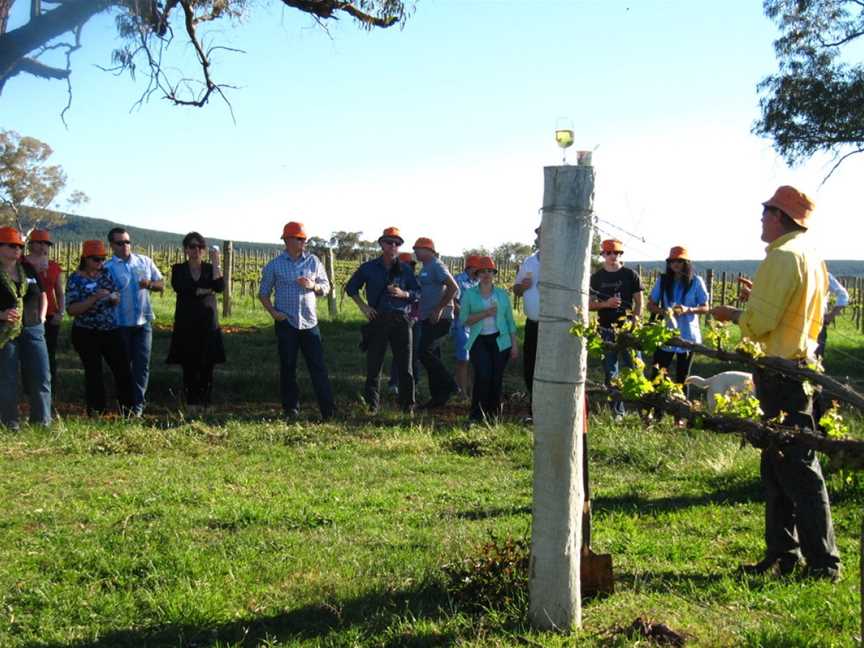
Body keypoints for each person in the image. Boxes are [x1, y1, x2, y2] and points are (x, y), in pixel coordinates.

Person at [712, 185, 840, 581]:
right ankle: (784, 552)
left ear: (780, 217)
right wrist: (756, 303)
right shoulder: (810, 256)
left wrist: (734, 313)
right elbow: (792, 312)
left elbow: (761, 323)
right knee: (777, 464)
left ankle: (823, 563)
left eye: (765, 210)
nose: (761, 217)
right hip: (799, 367)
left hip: (781, 372)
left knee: (798, 467)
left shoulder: (782, 257)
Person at [259, 222, 335, 420]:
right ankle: (291, 409)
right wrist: (274, 313)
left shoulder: (313, 262)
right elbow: (263, 293)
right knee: (288, 367)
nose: (304, 242)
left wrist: (314, 286)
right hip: (287, 324)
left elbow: (326, 287)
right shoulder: (274, 265)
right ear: (287, 240)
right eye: (299, 238)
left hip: (310, 323)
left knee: (318, 367)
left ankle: (328, 410)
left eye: (304, 239)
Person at [345, 226, 420, 414]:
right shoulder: (368, 268)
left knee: (406, 367)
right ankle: (372, 407)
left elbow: (418, 292)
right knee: (374, 365)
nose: (393, 246)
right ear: (381, 244)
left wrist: (404, 293)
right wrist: (364, 307)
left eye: (397, 243)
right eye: (389, 242)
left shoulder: (405, 269)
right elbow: (351, 288)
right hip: (378, 318)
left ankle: (407, 408)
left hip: (402, 320)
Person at [66, 240, 133, 416]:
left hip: (110, 330)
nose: (100, 263)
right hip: (86, 332)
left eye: (102, 259)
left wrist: (114, 298)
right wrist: (94, 298)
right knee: (94, 373)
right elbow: (72, 310)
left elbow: (115, 294)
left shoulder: (106, 274)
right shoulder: (75, 279)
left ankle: (129, 412)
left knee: (123, 369)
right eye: (96, 259)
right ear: (85, 258)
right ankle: (97, 413)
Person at [104, 227, 163, 416]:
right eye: (120, 243)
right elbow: (102, 294)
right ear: (112, 245)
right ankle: (124, 406)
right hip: (119, 324)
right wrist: (109, 298)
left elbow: (160, 283)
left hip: (143, 322)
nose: (125, 246)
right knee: (122, 367)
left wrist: (150, 285)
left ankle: (137, 407)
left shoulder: (144, 261)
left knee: (142, 365)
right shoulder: (106, 268)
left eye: (127, 242)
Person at [166, 232, 225, 410]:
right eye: (192, 246)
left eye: (200, 247)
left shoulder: (210, 268)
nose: (196, 250)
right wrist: (204, 290)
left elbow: (219, 287)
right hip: (187, 322)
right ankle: (192, 402)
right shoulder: (178, 269)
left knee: (208, 363)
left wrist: (216, 263)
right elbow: (180, 287)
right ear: (185, 249)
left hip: (208, 322)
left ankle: (206, 402)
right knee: (189, 363)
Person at [0, 227, 51, 429]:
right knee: (7, 377)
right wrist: (1, 315)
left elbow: (43, 294)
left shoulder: (27, 270)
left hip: (33, 328)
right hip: (5, 332)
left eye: (20, 246)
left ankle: (42, 422)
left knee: (41, 375)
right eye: (12, 246)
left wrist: (43, 316)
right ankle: (10, 423)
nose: (17, 250)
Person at [459, 256, 519, 423]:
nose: (486, 274)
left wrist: (514, 345)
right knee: (483, 375)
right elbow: (464, 319)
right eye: (482, 271)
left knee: (496, 377)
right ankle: (476, 415)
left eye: (489, 271)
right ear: (477, 274)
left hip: (501, 340)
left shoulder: (502, 294)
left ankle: (494, 417)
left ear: (494, 274)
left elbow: (510, 321)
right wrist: (485, 313)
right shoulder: (470, 294)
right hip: (479, 340)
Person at [589, 239, 643, 416]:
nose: (613, 256)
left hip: (628, 329)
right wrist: (606, 304)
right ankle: (617, 412)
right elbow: (588, 304)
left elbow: (639, 301)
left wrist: (635, 320)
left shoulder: (630, 275)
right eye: (610, 253)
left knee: (635, 368)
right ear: (603, 254)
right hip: (606, 329)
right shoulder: (596, 278)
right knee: (610, 370)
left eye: (617, 253)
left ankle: (640, 408)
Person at [646, 246, 709, 386]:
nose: (675, 263)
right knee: (658, 375)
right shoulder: (662, 281)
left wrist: (688, 310)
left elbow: (706, 308)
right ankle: (656, 406)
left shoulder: (696, 282)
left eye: (680, 261)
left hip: (688, 335)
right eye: (672, 260)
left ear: (687, 263)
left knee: (683, 377)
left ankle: (681, 406)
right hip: (665, 334)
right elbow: (650, 305)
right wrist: (665, 312)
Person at [413, 237, 460, 409]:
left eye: (417, 249)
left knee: (424, 352)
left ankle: (450, 384)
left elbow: (454, 287)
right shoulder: (426, 267)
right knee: (433, 355)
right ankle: (438, 397)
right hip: (427, 318)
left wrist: (439, 309)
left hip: (439, 318)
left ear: (428, 251)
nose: (415, 252)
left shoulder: (436, 265)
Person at [24, 229, 63, 390]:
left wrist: (61, 312)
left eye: (46, 243)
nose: (43, 246)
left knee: (49, 352)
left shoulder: (53, 266)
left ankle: (49, 387)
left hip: (51, 314)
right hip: (27, 314)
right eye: (39, 242)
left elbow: (60, 292)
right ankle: (28, 387)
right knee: (27, 353)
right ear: (31, 244)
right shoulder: (21, 263)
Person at [513, 227, 541, 403]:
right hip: (533, 323)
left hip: (554, 325)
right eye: (539, 235)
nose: (540, 238)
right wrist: (522, 286)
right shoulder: (529, 262)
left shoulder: (560, 260)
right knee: (530, 365)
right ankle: (533, 404)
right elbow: (516, 290)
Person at [387, 251, 420, 395]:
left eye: (411, 264)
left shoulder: (416, 281)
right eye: (406, 264)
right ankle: (394, 383)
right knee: (398, 353)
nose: (409, 267)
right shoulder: (394, 280)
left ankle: (414, 384)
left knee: (414, 354)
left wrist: (406, 294)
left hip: (415, 320)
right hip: (401, 319)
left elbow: (419, 296)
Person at [452, 255, 480, 397]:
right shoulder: (459, 280)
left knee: (475, 360)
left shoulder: (479, 282)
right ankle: (461, 392)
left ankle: (471, 391)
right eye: (477, 268)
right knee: (463, 359)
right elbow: (453, 302)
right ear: (470, 267)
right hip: (462, 325)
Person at [816, 273, 849, 360]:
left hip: (818, 322)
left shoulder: (822, 274)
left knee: (815, 359)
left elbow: (843, 295)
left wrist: (831, 315)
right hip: (792, 322)